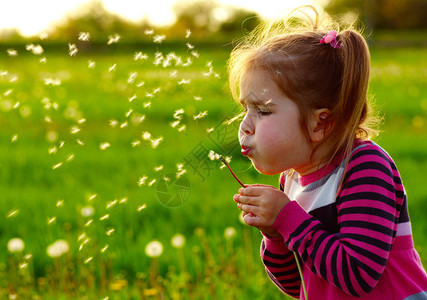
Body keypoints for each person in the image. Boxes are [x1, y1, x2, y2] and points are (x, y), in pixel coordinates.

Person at [229, 6, 427, 299]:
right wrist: (274, 236)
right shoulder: (292, 179)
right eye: (246, 109)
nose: (245, 126)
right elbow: (298, 286)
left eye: (263, 111)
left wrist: (286, 218)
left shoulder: (364, 167)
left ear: (320, 122)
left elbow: (358, 275)